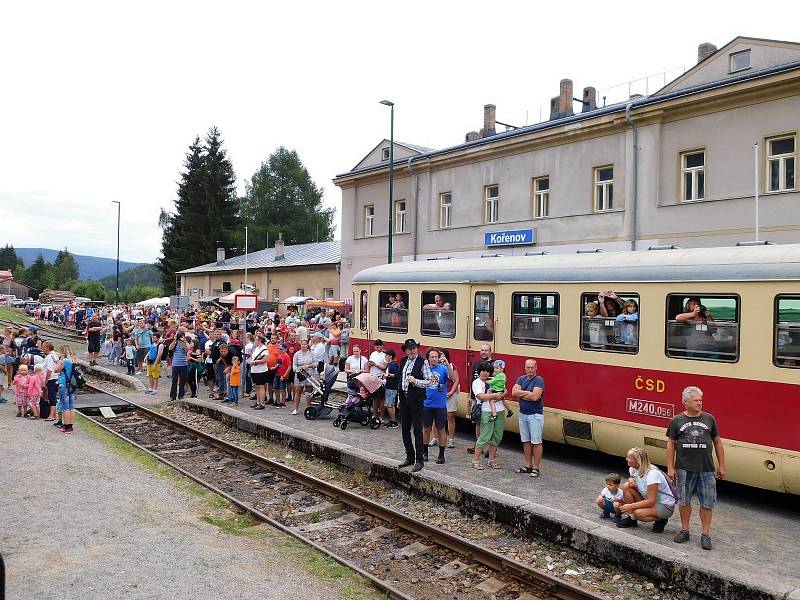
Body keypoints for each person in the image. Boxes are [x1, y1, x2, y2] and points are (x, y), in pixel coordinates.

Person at [666, 386, 726, 550]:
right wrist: (670, 467)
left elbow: (717, 442)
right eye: (696, 400)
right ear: (685, 402)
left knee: (707, 503)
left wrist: (721, 465)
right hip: (684, 468)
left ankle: (705, 534)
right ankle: (685, 530)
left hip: (706, 469)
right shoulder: (676, 421)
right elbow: (671, 444)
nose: (700, 402)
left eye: (700, 400)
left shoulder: (709, 419)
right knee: (684, 501)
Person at [616, 447, 675, 532]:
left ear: (638, 461)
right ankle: (631, 519)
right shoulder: (633, 468)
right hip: (648, 498)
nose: (626, 459)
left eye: (629, 458)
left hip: (664, 505)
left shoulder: (652, 474)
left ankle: (661, 519)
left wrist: (630, 506)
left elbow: (651, 501)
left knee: (638, 513)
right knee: (626, 486)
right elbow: (632, 479)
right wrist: (630, 480)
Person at [398, 338, 431, 472]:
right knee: (405, 429)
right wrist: (399, 398)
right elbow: (401, 380)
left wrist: (416, 381)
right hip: (405, 399)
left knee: (417, 430)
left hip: (416, 400)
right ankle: (409, 456)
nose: (411, 350)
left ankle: (419, 460)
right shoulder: (403, 361)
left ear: (417, 349)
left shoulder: (423, 362)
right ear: (406, 350)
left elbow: (429, 381)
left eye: (413, 348)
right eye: (409, 348)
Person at [511, 358, 545, 478]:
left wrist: (522, 393)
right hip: (523, 413)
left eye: (532, 367)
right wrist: (527, 394)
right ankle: (528, 465)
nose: (529, 370)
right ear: (525, 368)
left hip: (535, 415)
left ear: (536, 368)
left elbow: (535, 397)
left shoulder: (539, 380)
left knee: (536, 442)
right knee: (526, 441)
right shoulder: (521, 378)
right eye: (527, 367)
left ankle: (536, 467)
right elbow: (513, 392)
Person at [471, 362, 506, 470]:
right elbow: (480, 396)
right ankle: (476, 460)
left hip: (500, 410)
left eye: (488, 371)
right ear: (480, 372)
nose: (485, 373)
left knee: (497, 436)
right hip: (486, 411)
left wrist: (501, 395)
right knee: (485, 436)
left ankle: (491, 460)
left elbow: (505, 391)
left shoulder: (495, 379)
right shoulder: (476, 383)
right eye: (483, 371)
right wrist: (495, 395)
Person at [422, 348, 450, 464]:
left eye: (436, 357)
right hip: (426, 404)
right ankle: (425, 453)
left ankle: (441, 454)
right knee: (426, 429)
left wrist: (448, 365)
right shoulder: (424, 369)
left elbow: (452, 377)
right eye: (432, 357)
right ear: (428, 358)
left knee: (441, 430)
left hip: (440, 405)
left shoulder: (443, 368)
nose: (434, 359)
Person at [467, 344, 493, 454]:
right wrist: (469, 395)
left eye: (486, 350)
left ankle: (488, 448)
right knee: (477, 422)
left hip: (488, 399)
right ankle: (478, 445)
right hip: (475, 398)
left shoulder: (494, 364)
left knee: (489, 423)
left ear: (490, 352)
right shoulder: (477, 364)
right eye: (482, 350)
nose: (484, 352)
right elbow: (472, 380)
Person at [54, 345, 77, 434]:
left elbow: (56, 370)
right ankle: (70, 426)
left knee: (65, 407)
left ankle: (66, 427)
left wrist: (59, 361)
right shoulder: (74, 359)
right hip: (72, 384)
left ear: (63, 352)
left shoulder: (64, 361)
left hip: (64, 384)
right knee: (71, 406)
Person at [441, 348, 460, 448]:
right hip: (439, 394)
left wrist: (452, 392)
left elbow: (455, 379)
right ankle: (435, 438)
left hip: (450, 393)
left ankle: (451, 439)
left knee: (450, 417)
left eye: (443, 355)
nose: (441, 357)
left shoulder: (451, 366)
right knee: (436, 417)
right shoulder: (434, 366)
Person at [291, 338, 315, 414]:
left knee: (308, 392)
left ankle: (309, 408)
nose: (303, 346)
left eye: (305, 344)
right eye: (302, 344)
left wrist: (309, 366)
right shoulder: (297, 354)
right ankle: (295, 409)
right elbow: (294, 365)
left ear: (307, 345)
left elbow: (316, 364)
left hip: (309, 374)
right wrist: (297, 369)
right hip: (300, 375)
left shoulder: (312, 353)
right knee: (298, 392)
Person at [367, 339, 387, 421]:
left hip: (380, 378)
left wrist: (375, 364)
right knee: (375, 398)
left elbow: (384, 367)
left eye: (378, 347)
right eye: (376, 347)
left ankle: (381, 417)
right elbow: (369, 364)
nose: (377, 348)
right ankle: (375, 415)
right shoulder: (373, 354)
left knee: (381, 399)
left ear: (382, 346)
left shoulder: (384, 355)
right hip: (373, 377)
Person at [249, 333, 269, 410]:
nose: (254, 341)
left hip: (261, 370)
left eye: (256, 340)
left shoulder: (264, 349)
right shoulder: (257, 348)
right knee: (257, 386)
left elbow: (265, 360)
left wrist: (255, 362)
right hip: (255, 370)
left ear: (259, 340)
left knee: (261, 386)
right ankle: (258, 402)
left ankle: (262, 403)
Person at [168, 331, 189, 401]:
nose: (181, 337)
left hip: (183, 364)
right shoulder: (175, 343)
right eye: (180, 336)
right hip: (176, 364)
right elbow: (170, 348)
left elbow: (186, 350)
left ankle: (181, 395)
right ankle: (173, 396)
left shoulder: (185, 343)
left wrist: (183, 342)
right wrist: (175, 340)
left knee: (182, 381)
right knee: (174, 380)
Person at [382, 349, 400, 428]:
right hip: (389, 386)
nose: (385, 357)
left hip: (392, 387)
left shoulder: (394, 365)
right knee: (389, 404)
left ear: (390, 356)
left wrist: (388, 375)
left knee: (389, 405)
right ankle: (392, 420)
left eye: (386, 355)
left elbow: (397, 375)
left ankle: (393, 421)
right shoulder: (389, 365)